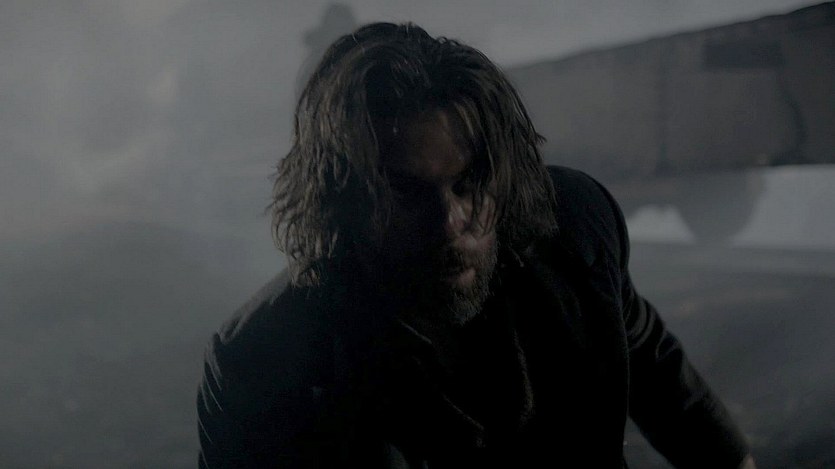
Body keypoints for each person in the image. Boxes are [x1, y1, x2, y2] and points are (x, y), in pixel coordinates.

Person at [197, 22, 755, 468]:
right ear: (343, 198)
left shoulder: (575, 225)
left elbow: (658, 373)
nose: (448, 222)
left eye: (469, 183)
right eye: (405, 193)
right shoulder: (263, 361)